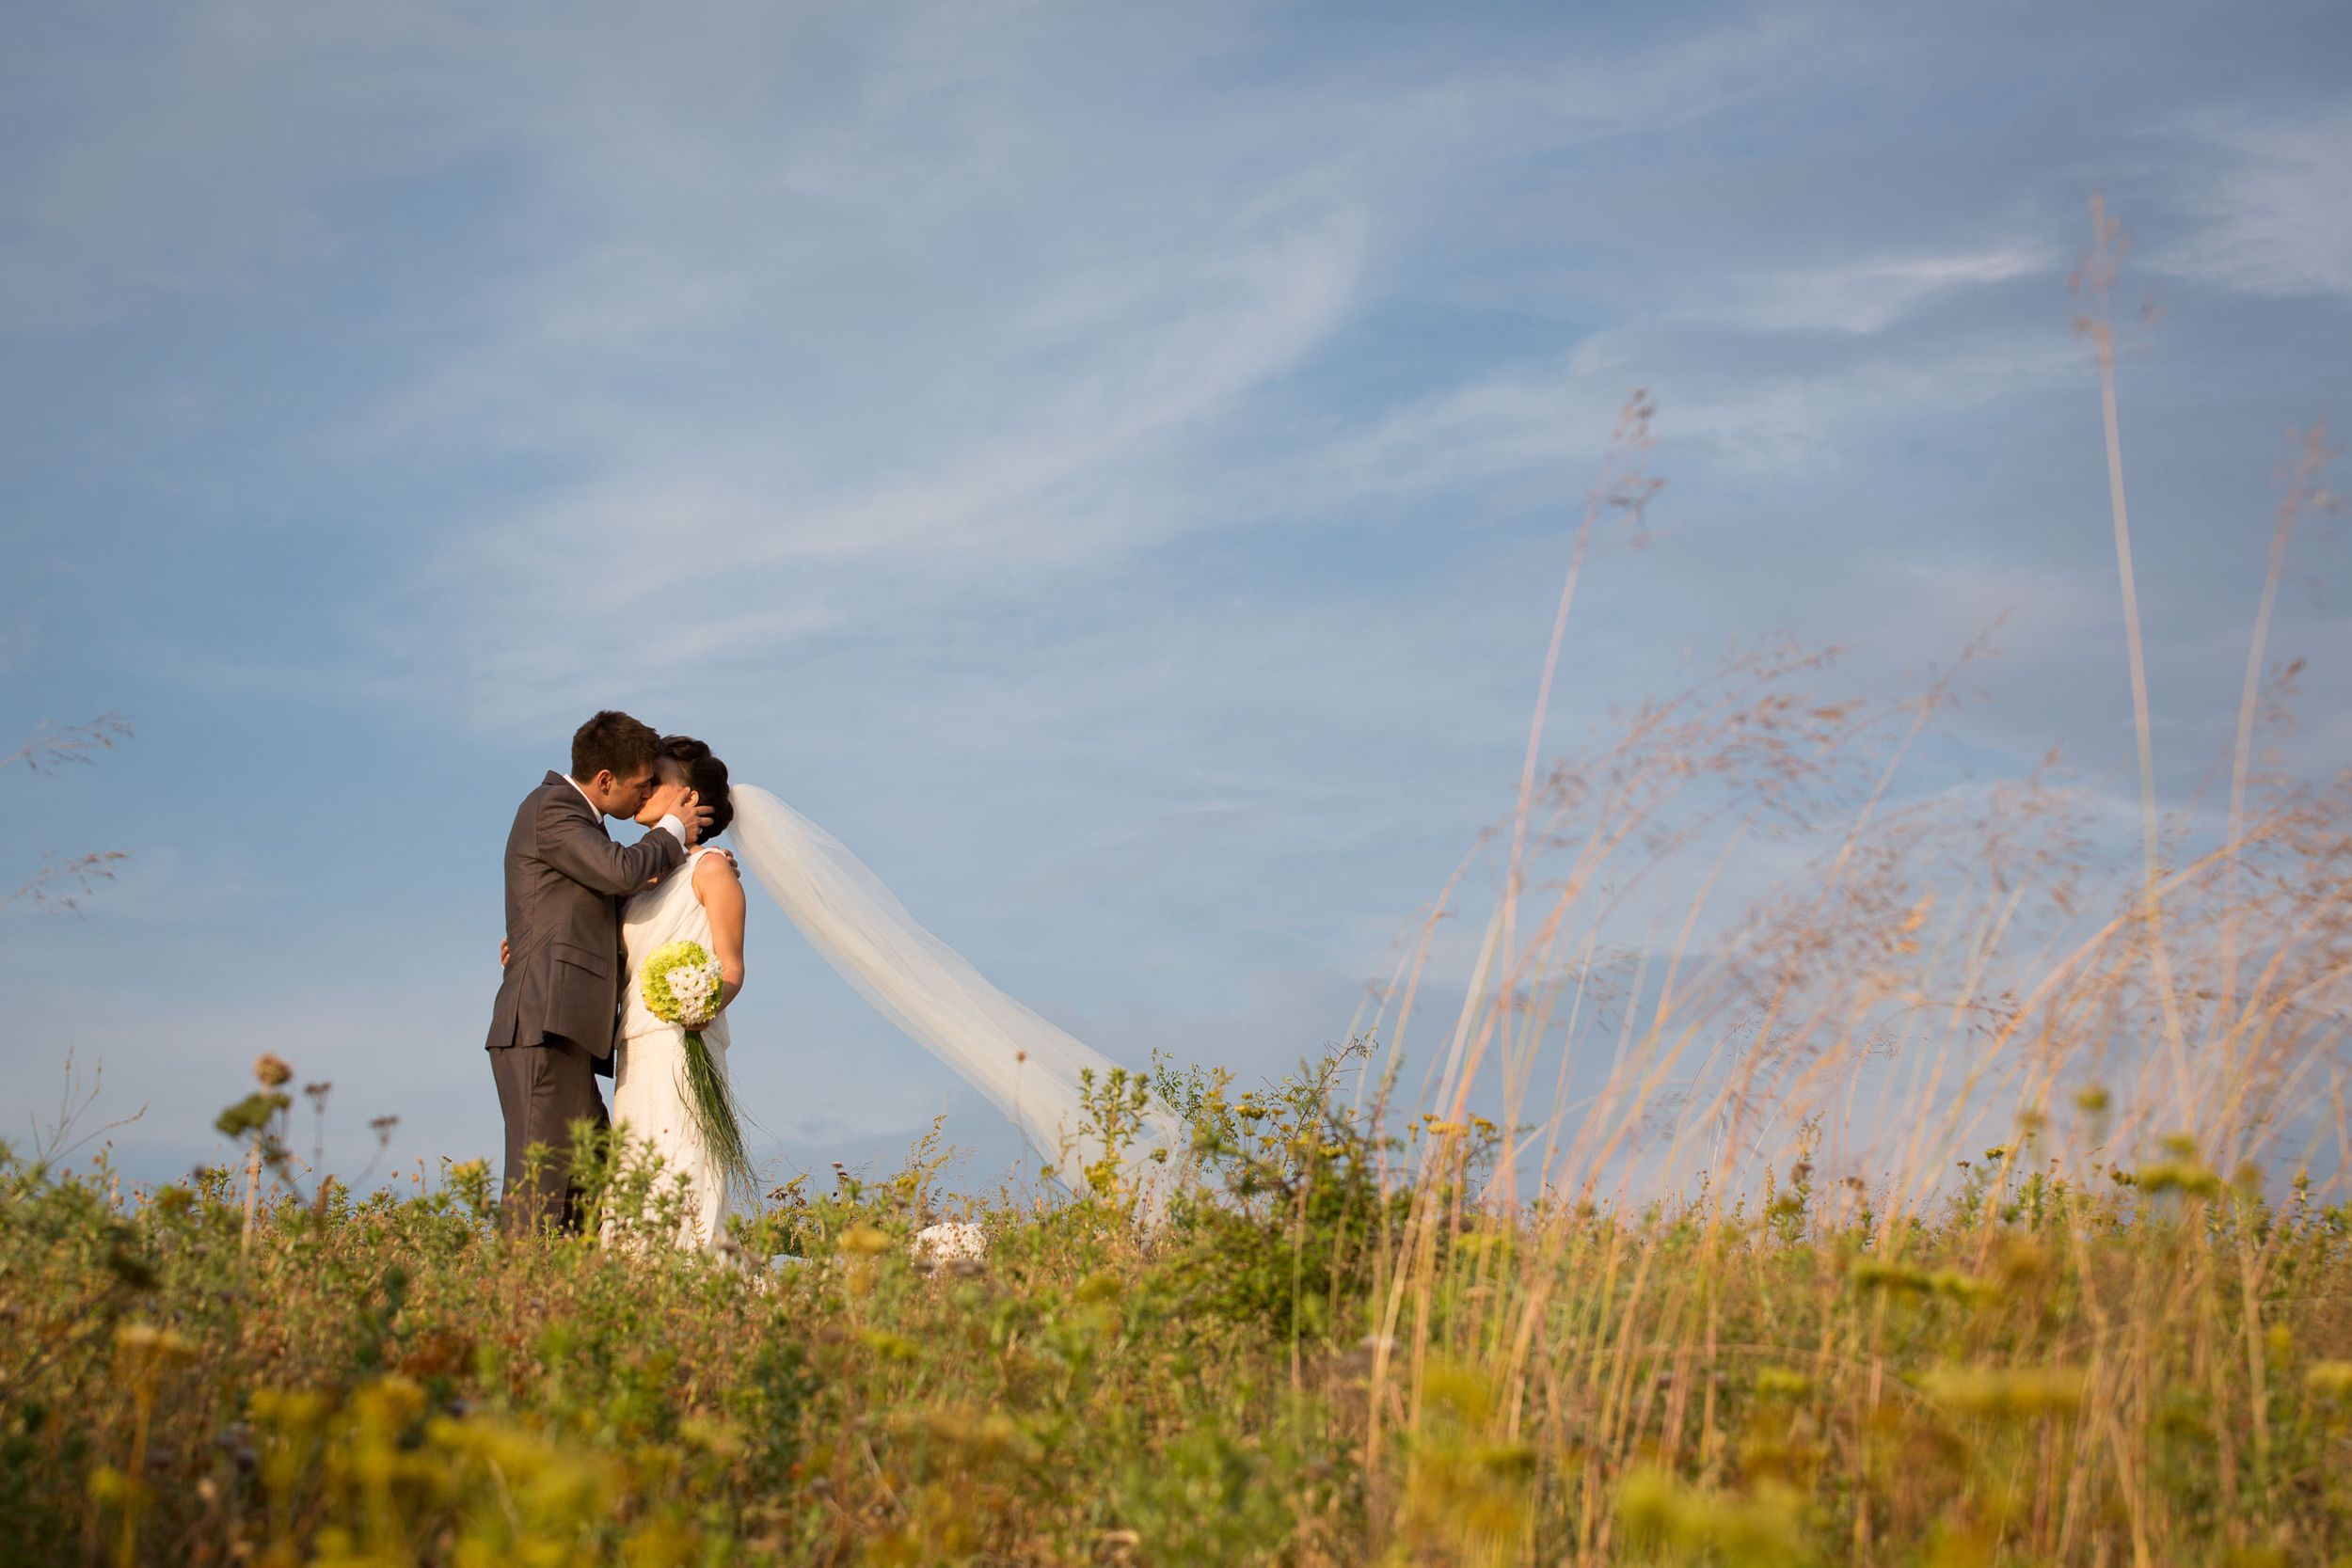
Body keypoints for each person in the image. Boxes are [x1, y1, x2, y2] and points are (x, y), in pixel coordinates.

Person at [484, 710, 713, 1236]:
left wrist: (697, 869)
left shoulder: (577, 824)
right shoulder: (551, 808)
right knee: (539, 1188)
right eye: (642, 784)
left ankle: (570, 1301)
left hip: (565, 1031)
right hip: (540, 1026)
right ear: (605, 780)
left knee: (590, 1185)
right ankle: (513, 1309)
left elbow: (595, 906)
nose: (645, 794)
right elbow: (620, 871)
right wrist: (676, 830)